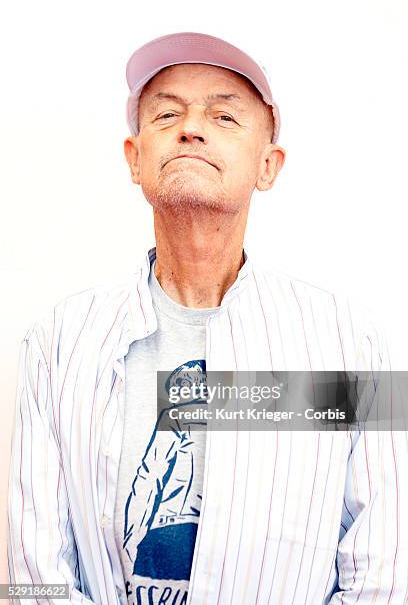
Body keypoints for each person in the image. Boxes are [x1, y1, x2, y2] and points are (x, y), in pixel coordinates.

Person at [7, 31, 407, 605]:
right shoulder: (56, 343)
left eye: (224, 116)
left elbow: (387, 572)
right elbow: (32, 583)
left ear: (268, 166)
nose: (190, 127)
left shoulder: (351, 342)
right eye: (167, 112)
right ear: (134, 158)